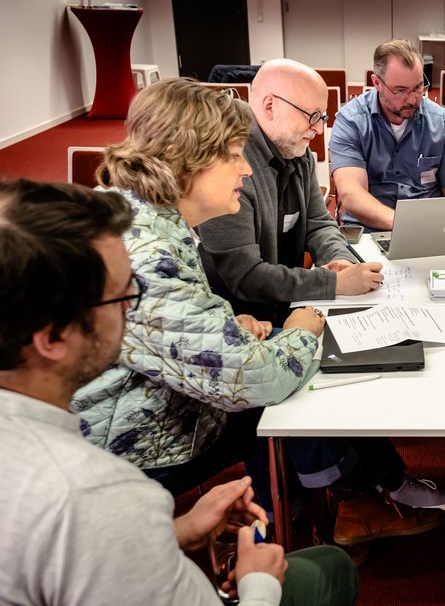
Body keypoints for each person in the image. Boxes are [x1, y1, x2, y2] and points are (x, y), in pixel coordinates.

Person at [72, 79, 445, 550]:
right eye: (233, 155)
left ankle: (301, 512)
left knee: (293, 370)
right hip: (135, 444)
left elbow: (155, 328)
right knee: (303, 378)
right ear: (186, 160)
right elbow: (256, 378)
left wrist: (226, 326)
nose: (243, 168)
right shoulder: (151, 253)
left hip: (144, 405)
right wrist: (301, 331)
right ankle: (333, 513)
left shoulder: (144, 219)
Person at [0, 179, 357, 606]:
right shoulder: (100, 495)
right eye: (121, 297)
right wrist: (258, 582)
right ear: (53, 337)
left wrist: (177, 532)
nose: (133, 310)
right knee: (329, 569)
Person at [198, 58, 383, 326]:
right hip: (242, 323)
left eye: (323, 117)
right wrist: (333, 282)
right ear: (270, 105)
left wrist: (340, 261)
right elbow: (246, 277)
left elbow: (319, 224)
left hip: (289, 309)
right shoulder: (228, 168)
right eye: (311, 116)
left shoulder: (296, 150)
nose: (319, 129)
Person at [329, 39, 445, 230]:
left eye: (418, 88)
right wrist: (407, 226)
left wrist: (441, 225)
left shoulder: (442, 122)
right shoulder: (351, 121)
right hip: (367, 230)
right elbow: (352, 195)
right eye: (401, 90)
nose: (413, 99)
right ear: (377, 83)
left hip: (428, 228)